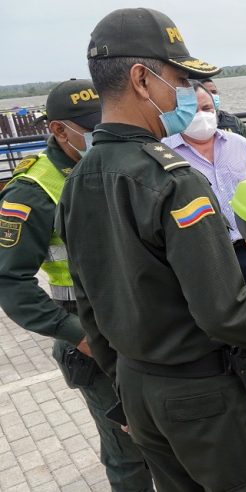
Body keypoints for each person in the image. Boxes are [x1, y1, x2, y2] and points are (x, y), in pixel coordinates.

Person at [56, 8, 246, 491]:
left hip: (140, 391)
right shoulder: (176, 183)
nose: (188, 93)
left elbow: (89, 304)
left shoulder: (78, 180)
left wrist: (124, 389)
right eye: (180, 78)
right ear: (142, 79)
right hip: (203, 397)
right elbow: (223, 312)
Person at [0, 79, 154, 491]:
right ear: (57, 129)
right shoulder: (32, 191)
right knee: (128, 452)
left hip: (147, 323)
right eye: (87, 125)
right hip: (91, 334)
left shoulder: (123, 160)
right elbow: (11, 282)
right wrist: (78, 336)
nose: (99, 131)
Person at [162, 81, 246, 296]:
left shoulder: (239, 144)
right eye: (192, 110)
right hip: (204, 260)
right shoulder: (164, 152)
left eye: (207, 108)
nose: (201, 115)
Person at [200, 78, 246, 165]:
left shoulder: (233, 121)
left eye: (214, 92)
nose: (212, 96)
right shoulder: (194, 124)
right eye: (207, 92)